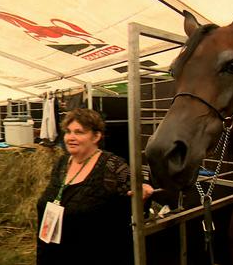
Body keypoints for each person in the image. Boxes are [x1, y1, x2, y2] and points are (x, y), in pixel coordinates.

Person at [36, 108, 153, 265]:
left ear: (96, 136)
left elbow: (135, 207)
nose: (71, 137)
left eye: (79, 132)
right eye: (68, 132)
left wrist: (143, 195)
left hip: (94, 255)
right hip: (53, 254)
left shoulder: (112, 166)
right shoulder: (62, 163)